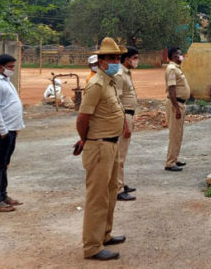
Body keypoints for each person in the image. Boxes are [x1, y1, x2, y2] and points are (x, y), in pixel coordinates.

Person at [75, 37, 129, 261]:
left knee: (110, 194)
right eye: (112, 58)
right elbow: (82, 118)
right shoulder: (96, 84)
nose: (116, 61)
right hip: (99, 145)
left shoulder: (110, 82)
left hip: (111, 144)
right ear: (101, 61)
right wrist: (85, 139)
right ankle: (92, 246)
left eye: (118, 57)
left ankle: (104, 234)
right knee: (97, 198)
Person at [0, 54, 25, 213]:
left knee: (4, 165)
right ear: (0, 67)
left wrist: (15, 128)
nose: (12, 70)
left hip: (11, 129)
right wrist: (2, 130)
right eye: (10, 67)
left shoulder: (6, 82)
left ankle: (2, 195)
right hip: (1, 131)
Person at [115, 47, 139, 201]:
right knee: (119, 155)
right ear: (126, 59)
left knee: (122, 154)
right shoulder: (119, 75)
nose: (136, 61)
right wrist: (125, 123)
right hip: (124, 116)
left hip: (129, 114)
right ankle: (117, 189)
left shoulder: (126, 73)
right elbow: (117, 100)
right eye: (134, 57)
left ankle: (121, 183)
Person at [164, 47, 191, 172]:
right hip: (176, 104)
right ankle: (170, 162)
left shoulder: (176, 69)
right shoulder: (171, 69)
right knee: (175, 134)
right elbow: (172, 89)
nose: (182, 56)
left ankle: (174, 158)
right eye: (180, 54)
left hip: (180, 103)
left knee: (179, 134)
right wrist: (176, 108)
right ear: (175, 56)